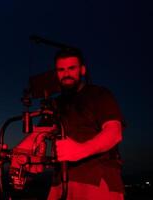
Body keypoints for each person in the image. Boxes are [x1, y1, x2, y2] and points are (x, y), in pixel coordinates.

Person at [45, 48, 125, 200]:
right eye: (61, 69)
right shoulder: (54, 104)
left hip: (97, 179)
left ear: (82, 70)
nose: (66, 73)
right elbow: (38, 133)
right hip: (59, 181)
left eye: (71, 68)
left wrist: (80, 150)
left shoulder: (99, 94)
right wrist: (16, 153)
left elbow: (114, 133)